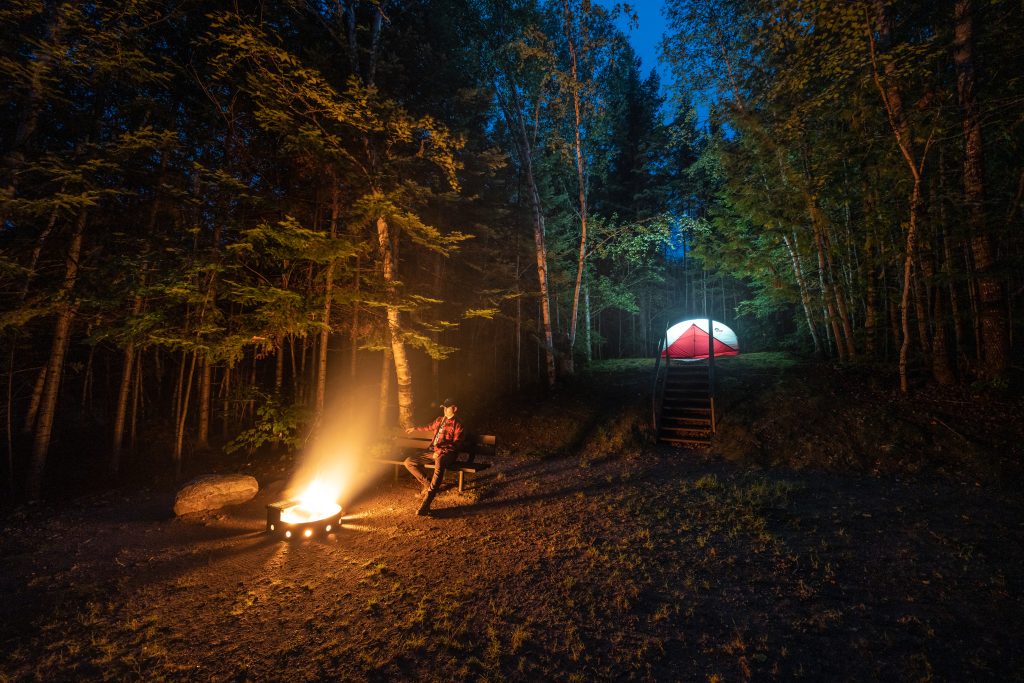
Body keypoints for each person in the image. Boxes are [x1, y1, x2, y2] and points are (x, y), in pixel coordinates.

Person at [404, 398, 464, 516]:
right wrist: (415, 428)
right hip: (433, 451)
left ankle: (426, 502)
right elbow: (428, 427)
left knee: (439, 462)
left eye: (448, 408)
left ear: (454, 408)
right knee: (409, 462)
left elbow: (457, 444)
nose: (445, 410)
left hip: (448, 453)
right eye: (444, 408)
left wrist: (441, 451)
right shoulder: (439, 420)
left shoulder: (458, 424)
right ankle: (428, 484)